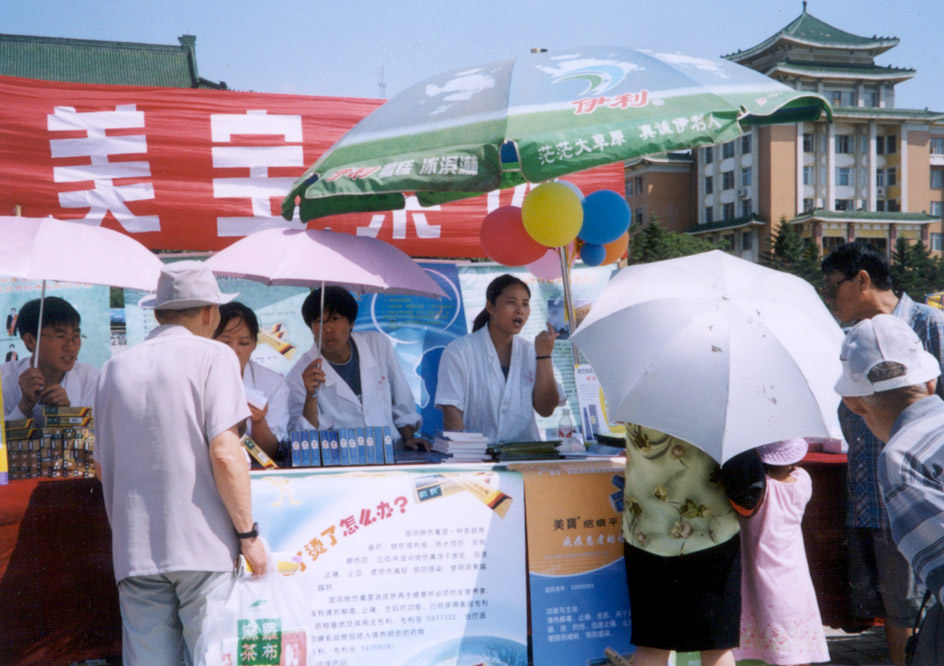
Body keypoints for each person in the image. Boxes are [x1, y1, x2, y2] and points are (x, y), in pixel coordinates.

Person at [93, 261, 267, 665]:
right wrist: (249, 536)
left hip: (135, 551)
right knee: (210, 656)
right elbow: (225, 453)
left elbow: (101, 467)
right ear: (209, 312)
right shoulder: (215, 356)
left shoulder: (113, 368)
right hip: (204, 547)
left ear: (158, 313)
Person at [821, 240, 944, 665]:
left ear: (863, 280)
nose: (829, 299)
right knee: (897, 606)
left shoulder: (931, 325)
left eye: (832, 287)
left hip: (919, 484)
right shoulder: (853, 340)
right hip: (873, 500)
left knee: (916, 602)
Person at [621, 424, 741, 666]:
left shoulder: (637, 402)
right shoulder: (717, 403)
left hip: (646, 532)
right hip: (710, 532)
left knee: (651, 644)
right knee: (715, 646)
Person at [284, 286, 424, 448]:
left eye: (335, 319)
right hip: (340, 456)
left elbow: (401, 401)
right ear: (311, 327)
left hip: (390, 450)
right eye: (319, 321)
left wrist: (409, 439)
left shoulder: (378, 344)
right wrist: (310, 396)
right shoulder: (299, 374)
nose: (328, 329)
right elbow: (303, 437)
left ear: (351, 323)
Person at [435, 274, 564, 443]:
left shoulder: (532, 352)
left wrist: (544, 356)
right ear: (491, 307)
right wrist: (465, 452)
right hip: (478, 454)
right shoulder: (459, 351)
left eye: (525, 304)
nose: (520, 310)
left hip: (526, 453)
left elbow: (545, 410)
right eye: (511, 302)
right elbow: (452, 411)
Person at [734, 438, 830, 666]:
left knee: (765, 629)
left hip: (759, 567)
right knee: (797, 642)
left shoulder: (756, 490)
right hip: (794, 570)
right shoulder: (803, 480)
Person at [213, 302, 290, 461]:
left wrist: (259, 421)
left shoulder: (273, 383)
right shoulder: (195, 379)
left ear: (254, 344)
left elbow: (270, 454)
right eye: (225, 342)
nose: (234, 350)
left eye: (243, 343)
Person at [0, 296, 99, 420]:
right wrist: (24, 406)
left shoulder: (92, 380)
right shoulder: (4, 379)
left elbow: (100, 430)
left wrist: (67, 416)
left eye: (75, 336)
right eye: (60, 336)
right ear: (30, 341)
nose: (71, 346)